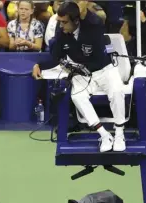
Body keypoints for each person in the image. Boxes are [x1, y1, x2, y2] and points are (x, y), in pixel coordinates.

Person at [33, 1, 127, 153]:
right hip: (82, 74)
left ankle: (119, 134)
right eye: (59, 22)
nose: (61, 25)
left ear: (76, 20)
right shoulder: (62, 31)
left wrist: (83, 8)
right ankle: (104, 135)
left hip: (104, 70)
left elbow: (96, 19)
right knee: (77, 96)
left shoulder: (93, 25)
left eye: (64, 22)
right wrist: (40, 65)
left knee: (117, 91)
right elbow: (56, 57)